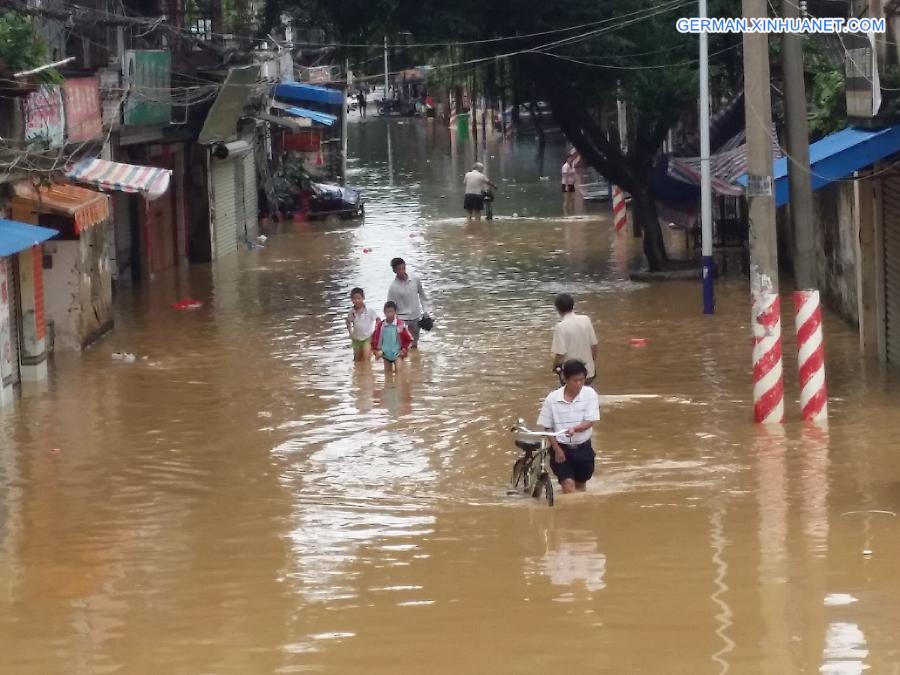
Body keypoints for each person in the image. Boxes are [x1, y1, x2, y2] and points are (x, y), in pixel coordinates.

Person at [537, 359, 601, 494]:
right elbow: (547, 427)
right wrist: (557, 449)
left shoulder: (590, 394)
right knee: (568, 486)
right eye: (575, 380)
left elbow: (590, 421)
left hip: (583, 448)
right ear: (565, 379)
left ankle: (578, 514)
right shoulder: (552, 399)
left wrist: (575, 429)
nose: (579, 384)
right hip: (561, 448)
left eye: (582, 380)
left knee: (581, 486)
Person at [551, 293, 598, 385]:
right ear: (573, 305)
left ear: (558, 309)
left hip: (571, 376)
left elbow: (560, 353)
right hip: (589, 372)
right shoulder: (586, 320)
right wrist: (591, 362)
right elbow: (594, 345)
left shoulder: (561, 326)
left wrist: (554, 366)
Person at [387, 257, 432, 349]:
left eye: (403, 268)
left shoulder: (415, 279)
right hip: (402, 318)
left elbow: (423, 296)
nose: (402, 271)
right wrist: (392, 322)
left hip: (416, 316)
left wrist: (426, 311)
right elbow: (390, 307)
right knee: (401, 346)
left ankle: (415, 362)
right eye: (399, 269)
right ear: (394, 271)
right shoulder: (393, 287)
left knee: (414, 344)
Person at [372, 301, 413, 372]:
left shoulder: (400, 325)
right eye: (387, 312)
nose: (389, 314)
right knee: (388, 376)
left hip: (398, 353)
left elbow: (409, 339)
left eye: (391, 311)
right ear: (384, 312)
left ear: (395, 312)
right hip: (385, 354)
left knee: (399, 373)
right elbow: (375, 338)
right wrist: (376, 351)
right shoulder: (381, 325)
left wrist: (404, 350)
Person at [346, 287, 379, 362]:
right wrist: (350, 332)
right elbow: (348, 321)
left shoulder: (369, 310)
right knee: (357, 360)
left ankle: (367, 372)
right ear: (352, 300)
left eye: (359, 298)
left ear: (363, 298)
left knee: (366, 360)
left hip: (367, 338)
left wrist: (376, 330)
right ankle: (358, 372)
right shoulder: (351, 312)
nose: (357, 301)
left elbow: (378, 319)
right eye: (354, 299)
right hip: (356, 339)